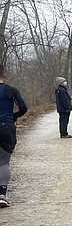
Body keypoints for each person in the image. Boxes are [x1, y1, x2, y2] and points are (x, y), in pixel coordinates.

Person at [0, 64, 28, 207]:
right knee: (4, 162)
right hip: (6, 127)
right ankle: (2, 194)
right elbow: (23, 108)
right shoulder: (11, 90)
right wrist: (14, 117)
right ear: (4, 74)